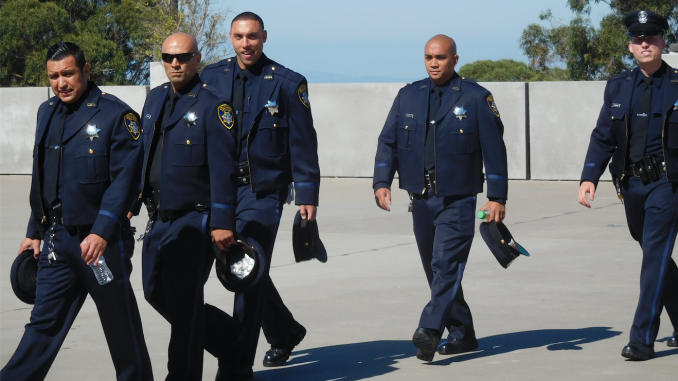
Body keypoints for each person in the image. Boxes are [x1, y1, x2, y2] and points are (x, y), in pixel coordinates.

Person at [1, 42, 153, 381]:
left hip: (100, 245)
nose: (61, 83)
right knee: (43, 323)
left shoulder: (116, 115)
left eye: (68, 73)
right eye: (54, 76)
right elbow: (45, 178)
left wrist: (102, 231)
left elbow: (125, 182)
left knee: (119, 325)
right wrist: (34, 232)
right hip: (57, 241)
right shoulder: (47, 111)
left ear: (85, 71)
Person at [372, 34, 508, 362]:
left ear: (455, 59)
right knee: (436, 271)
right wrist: (381, 181)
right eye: (429, 57)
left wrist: (497, 196)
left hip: (458, 199)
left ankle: (429, 330)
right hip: (420, 198)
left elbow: (495, 148)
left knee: (445, 264)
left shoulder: (476, 97)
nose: (434, 63)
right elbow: (388, 141)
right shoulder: (409, 96)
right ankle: (462, 333)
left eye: (441, 58)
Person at [201, 11, 320, 376]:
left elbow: (303, 144)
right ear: (231, 38)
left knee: (245, 271)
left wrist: (308, 195)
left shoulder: (287, 82)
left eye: (252, 36)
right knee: (243, 266)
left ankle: (238, 367)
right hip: (216, 190)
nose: (245, 44)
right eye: (239, 37)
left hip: (263, 191)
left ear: (264, 37)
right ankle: (284, 330)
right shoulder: (209, 78)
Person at [130, 32, 243, 380]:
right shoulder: (156, 99)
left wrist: (222, 221)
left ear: (197, 60)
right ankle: (231, 344)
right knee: (154, 291)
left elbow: (225, 170)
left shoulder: (214, 105)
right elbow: (143, 156)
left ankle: (182, 374)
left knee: (183, 303)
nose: (174, 64)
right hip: (158, 219)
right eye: (168, 57)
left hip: (195, 219)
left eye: (182, 57)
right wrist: (131, 202)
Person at [578, 10, 678, 360]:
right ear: (630, 46)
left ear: (664, 41)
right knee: (658, 258)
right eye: (638, 39)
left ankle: (641, 339)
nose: (645, 43)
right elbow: (603, 136)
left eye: (652, 37)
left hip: (668, 184)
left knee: (653, 258)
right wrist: (589, 176)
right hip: (630, 184)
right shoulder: (618, 86)